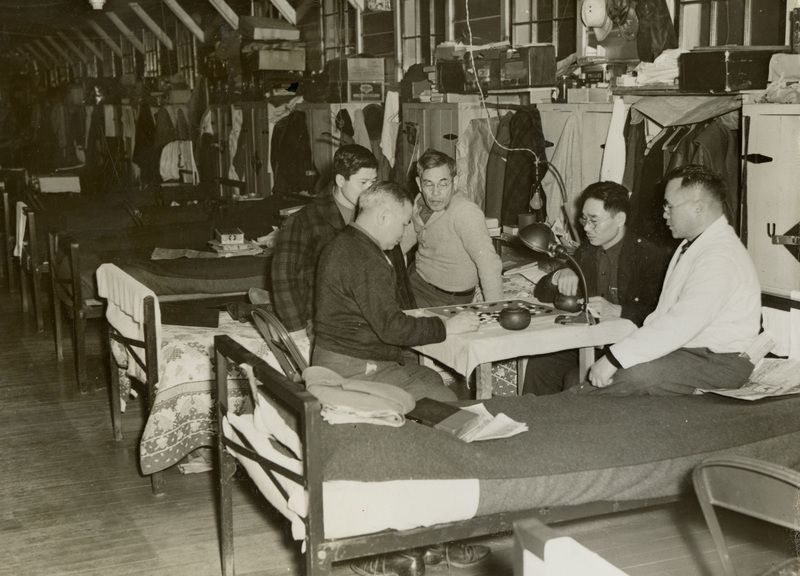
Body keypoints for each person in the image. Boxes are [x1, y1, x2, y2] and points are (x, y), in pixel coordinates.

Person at [313, 181, 491, 576]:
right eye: (404, 222)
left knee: (430, 382)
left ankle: (430, 530)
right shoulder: (365, 256)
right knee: (451, 412)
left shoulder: (345, 244)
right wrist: (447, 326)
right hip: (354, 369)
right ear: (382, 216)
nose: (404, 231)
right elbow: (392, 328)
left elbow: (381, 323)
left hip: (346, 358)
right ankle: (437, 534)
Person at [575, 164, 761, 395]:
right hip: (690, 351)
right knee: (584, 378)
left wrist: (614, 358)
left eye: (669, 206)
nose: (664, 214)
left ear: (698, 208)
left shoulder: (720, 255)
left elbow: (681, 323)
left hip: (717, 361)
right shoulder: (693, 244)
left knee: (624, 377)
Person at [523, 181, 670, 395]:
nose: (585, 228)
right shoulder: (589, 250)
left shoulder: (649, 256)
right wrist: (558, 276)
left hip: (625, 348)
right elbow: (542, 293)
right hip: (590, 343)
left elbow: (663, 316)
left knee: (577, 378)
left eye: (594, 221)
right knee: (541, 365)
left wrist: (619, 311)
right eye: (584, 219)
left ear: (620, 219)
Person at [271, 144, 415, 342]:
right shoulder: (304, 220)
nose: (370, 189)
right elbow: (283, 278)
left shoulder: (379, 214)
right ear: (340, 180)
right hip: (324, 322)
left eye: (373, 181)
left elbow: (397, 272)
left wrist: (411, 313)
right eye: (363, 182)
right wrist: (296, 330)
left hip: (374, 318)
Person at [408, 149, 503, 307]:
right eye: (428, 184)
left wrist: (497, 309)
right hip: (415, 279)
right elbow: (405, 239)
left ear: (455, 182)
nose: (435, 193)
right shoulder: (421, 200)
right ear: (419, 184)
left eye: (443, 184)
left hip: (445, 297)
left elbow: (488, 262)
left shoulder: (465, 212)